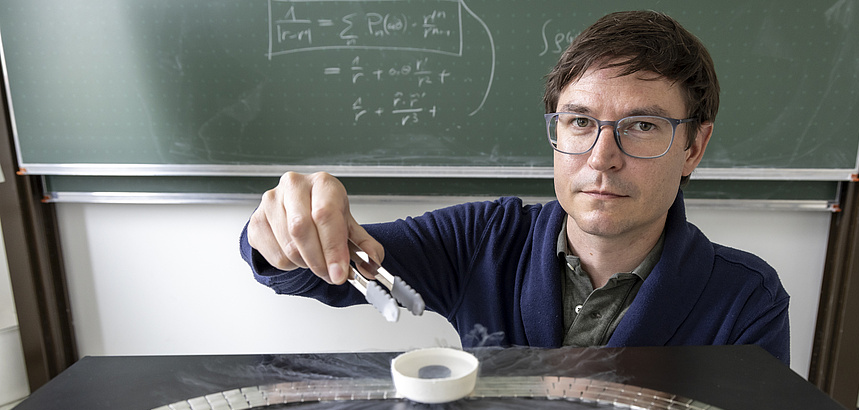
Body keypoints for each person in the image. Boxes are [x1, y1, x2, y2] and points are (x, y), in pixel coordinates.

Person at [241, 11, 791, 364]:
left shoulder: (746, 301)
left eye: (642, 127)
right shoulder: (485, 239)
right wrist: (283, 235)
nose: (602, 158)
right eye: (579, 122)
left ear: (694, 147)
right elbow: (325, 274)